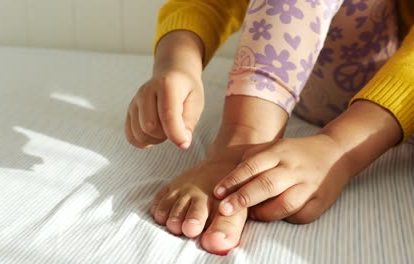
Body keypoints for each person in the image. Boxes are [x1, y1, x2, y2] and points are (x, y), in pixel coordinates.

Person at [125, 0, 414, 255]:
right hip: (310, 79)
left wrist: (339, 148)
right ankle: (242, 141)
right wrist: (177, 64)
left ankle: (240, 149)